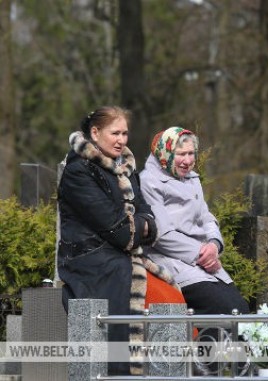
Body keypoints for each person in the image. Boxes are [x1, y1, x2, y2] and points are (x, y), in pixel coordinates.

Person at [57, 106, 177, 375]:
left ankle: (164, 371)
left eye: (125, 133)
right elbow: (119, 231)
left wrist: (141, 225)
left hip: (122, 257)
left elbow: (147, 214)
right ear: (95, 133)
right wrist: (140, 226)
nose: (121, 140)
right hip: (90, 261)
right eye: (115, 133)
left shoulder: (126, 168)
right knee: (155, 300)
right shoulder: (79, 172)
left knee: (172, 299)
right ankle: (126, 371)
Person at [140, 126, 249, 321]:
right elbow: (161, 234)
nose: (188, 161)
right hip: (170, 260)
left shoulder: (192, 180)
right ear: (165, 153)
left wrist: (214, 245)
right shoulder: (149, 181)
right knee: (224, 310)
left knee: (239, 310)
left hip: (205, 260)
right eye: (181, 154)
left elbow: (206, 217)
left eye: (191, 153)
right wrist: (200, 252)